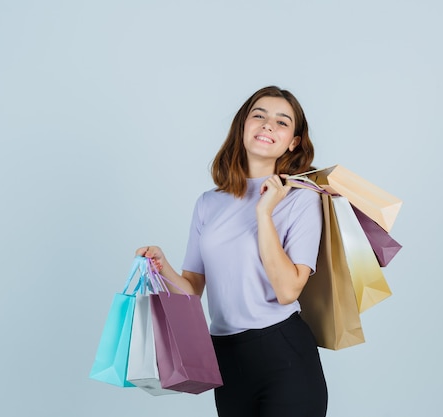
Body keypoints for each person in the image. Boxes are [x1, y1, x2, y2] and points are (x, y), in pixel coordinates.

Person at [136, 86, 327, 417]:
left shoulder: (300, 199)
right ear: (243, 126)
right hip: (226, 358)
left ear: (293, 141)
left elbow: (287, 290)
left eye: (282, 122)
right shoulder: (209, 203)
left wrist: (264, 212)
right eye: (259, 116)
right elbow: (193, 291)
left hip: (283, 353)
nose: (268, 125)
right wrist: (163, 266)